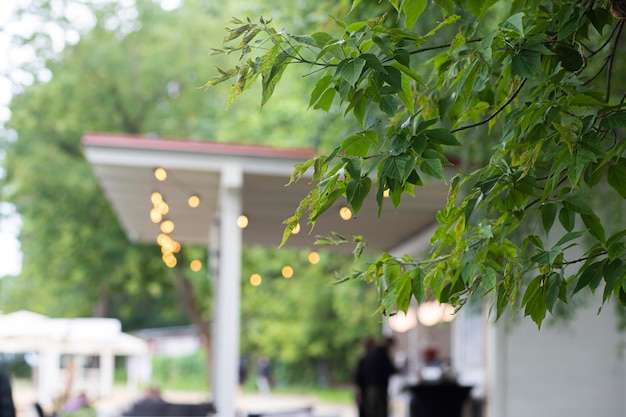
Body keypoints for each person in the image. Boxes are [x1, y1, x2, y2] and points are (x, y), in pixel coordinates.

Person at [359, 337, 397, 417]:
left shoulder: (367, 357)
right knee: (379, 410)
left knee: (372, 410)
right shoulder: (381, 353)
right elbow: (390, 369)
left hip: (369, 387)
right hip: (379, 387)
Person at [355, 337, 377, 417]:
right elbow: (359, 378)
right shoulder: (364, 360)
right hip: (365, 390)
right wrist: (359, 393)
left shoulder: (368, 359)